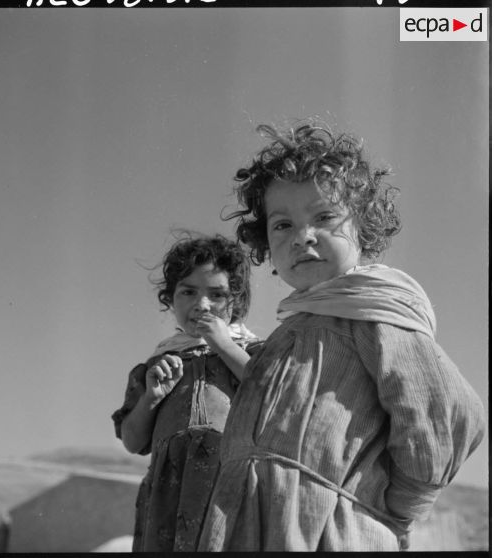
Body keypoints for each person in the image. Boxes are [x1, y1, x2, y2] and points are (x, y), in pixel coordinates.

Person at [197, 121, 486, 551]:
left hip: (328, 529)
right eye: (282, 225)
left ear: (364, 225)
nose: (302, 237)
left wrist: (397, 505)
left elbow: (450, 415)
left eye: (325, 217)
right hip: (245, 523)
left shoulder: (375, 314)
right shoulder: (289, 331)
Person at [111, 233, 263, 552]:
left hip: (231, 485)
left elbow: (270, 392)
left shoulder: (253, 354)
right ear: (171, 298)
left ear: (236, 301)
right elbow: (132, 440)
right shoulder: (157, 364)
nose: (202, 304)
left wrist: (222, 344)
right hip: (169, 495)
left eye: (217, 294)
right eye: (188, 292)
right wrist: (152, 396)